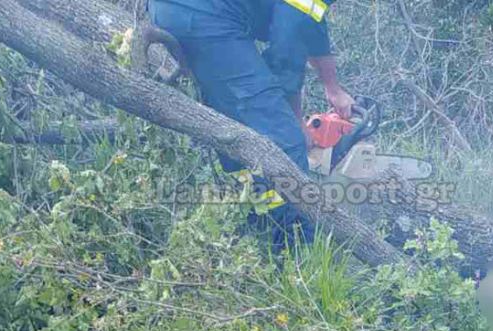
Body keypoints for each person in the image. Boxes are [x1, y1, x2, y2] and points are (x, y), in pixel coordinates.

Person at [148, 0, 354, 251]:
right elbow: (286, 50)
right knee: (284, 140)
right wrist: (295, 121)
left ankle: (257, 234)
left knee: (237, 130)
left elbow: (310, 22)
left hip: (185, 11)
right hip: (206, 16)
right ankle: (298, 255)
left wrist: (332, 87)